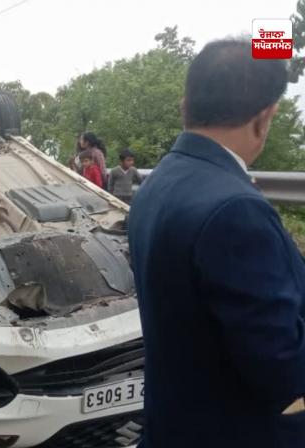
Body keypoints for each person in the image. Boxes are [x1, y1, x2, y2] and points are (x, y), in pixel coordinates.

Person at [129, 39, 305, 448]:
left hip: (174, 425)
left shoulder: (156, 185)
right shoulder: (236, 209)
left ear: (184, 105)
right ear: (265, 117)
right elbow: (282, 372)